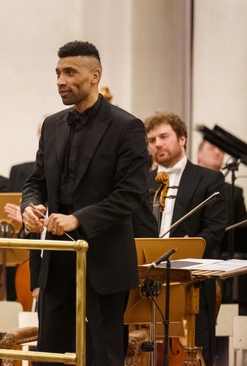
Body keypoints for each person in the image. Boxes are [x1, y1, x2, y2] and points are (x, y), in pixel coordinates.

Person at [22, 41, 151, 365]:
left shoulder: (127, 127)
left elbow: (130, 194)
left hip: (103, 262)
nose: (60, 81)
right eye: (57, 73)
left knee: (103, 357)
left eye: (69, 72)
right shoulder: (52, 125)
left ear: (95, 76)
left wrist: (78, 219)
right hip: (58, 262)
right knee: (50, 357)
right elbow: (35, 181)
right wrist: (31, 206)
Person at [145, 112, 227, 364]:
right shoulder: (141, 182)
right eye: (151, 140)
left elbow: (214, 231)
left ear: (182, 139)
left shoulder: (209, 180)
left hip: (191, 281)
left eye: (163, 136)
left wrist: (189, 247)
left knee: (195, 351)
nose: (157, 143)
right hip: (147, 281)